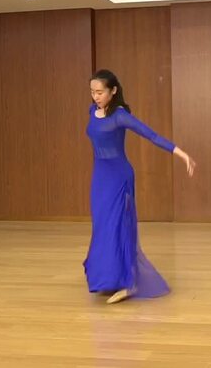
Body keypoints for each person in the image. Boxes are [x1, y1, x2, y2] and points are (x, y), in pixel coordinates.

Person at [84, 69, 196, 304]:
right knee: (103, 227)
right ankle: (110, 278)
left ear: (113, 91)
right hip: (100, 178)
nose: (95, 96)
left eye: (100, 92)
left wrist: (181, 154)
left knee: (119, 227)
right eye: (92, 92)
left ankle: (129, 282)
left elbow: (151, 135)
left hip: (119, 178)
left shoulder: (120, 116)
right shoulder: (93, 111)